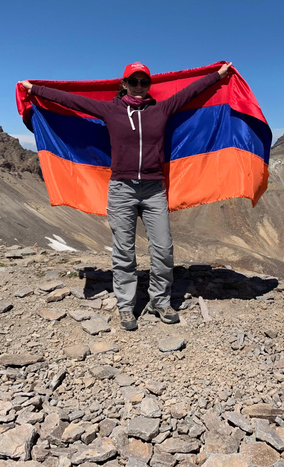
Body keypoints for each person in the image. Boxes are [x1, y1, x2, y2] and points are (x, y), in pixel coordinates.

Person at [19, 62, 233, 331]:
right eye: (135, 82)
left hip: (154, 189)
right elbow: (72, 100)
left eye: (145, 82)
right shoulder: (110, 110)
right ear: (124, 85)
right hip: (122, 189)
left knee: (164, 248)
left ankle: (160, 301)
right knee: (124, 251)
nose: (140, 87)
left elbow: (191, 92)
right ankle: (125, 306)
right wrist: (36, 89)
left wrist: (218, 76)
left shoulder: (162, 108)